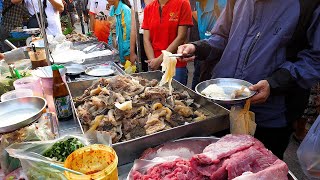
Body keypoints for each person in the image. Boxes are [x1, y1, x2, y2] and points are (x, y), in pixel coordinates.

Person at [177, 0, 320, 159]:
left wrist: (274, 83)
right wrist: (198, 47)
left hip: (270, 117)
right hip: (223, 107)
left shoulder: (309, 4)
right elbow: (222, 36)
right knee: (215, 166)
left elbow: (315, 58)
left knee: (259, 170)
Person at [142, 0, 193, 85]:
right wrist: (153, 62)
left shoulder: (183, 3)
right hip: (154, 63)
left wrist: (159, 60)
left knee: (176, 95)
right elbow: (146, 39)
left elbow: (181, 37)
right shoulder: (149, 8)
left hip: (175, 63)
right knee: (155, 94)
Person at [191, 0, 226, 90]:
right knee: (195, 88)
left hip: (216, 60)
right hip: (202, 53)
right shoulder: (198, 3)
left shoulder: (222, 3)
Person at [129, 0, 151, 72]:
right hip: (141, 40)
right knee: (143, 72)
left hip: (156, 40)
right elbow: (134, 28)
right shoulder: (136, 2)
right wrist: (132, 52)